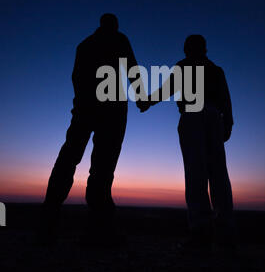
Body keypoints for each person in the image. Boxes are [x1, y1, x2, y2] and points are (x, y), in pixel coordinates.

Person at [40, 13, 144, 244]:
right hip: (111, 111)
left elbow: (76, 78)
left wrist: (82, 103)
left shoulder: (84, 45)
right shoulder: (119, 39)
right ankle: (99, 228)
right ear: (114, 26)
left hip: (85, 109)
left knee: (69, 159)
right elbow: (132, 70)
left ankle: (48, 222)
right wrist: (141, 98)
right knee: (102, 167)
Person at [141, 35, 235, 251]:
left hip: (194, 116)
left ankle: (201, 233)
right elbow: (226, 100)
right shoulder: (216, 70)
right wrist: (227, 123)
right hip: (213, 117)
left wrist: (148, 101)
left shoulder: (184, 66)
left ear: (188, 49)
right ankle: (225, 233)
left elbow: (168, 89)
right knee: (218, 174)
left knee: (196, 174)